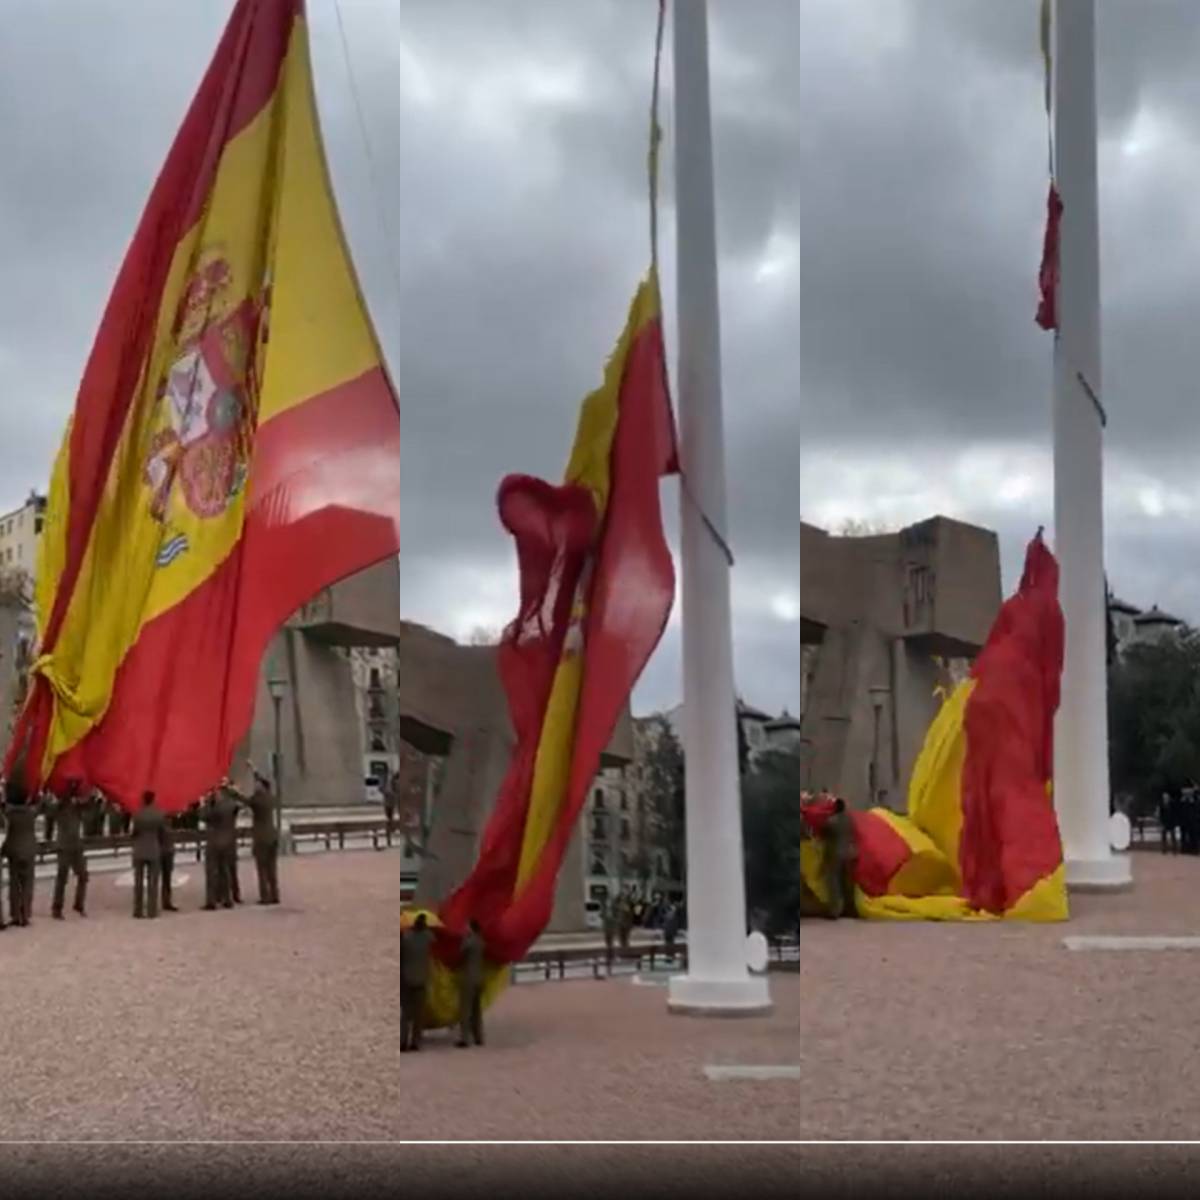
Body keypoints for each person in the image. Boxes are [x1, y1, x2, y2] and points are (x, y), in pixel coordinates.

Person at [241, 763, 280, 905]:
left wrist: (231, 790)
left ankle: (265, 896)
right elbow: (263, 781)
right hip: (272, 836)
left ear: (260, 787)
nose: (254, 786)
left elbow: (243, 800)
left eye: (256, 785)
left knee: (262, 868)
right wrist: (254, 770)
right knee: (272, 868)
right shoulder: (270, 797)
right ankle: (275, 894)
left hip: (261, 838)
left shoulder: (257, 799)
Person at [50, 778, 89, 919]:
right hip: (64, 846)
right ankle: (57, 908)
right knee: (62, 877)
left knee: (83, 876)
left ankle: (79, 904)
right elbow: (54, 807)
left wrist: (79, 788)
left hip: (76, 846)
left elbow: (86, 801)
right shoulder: (60, 805)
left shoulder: (77, 806)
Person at [1, 784, 37, 927]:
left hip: (13, 851)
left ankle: (15, 914)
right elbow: (39, 803)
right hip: (29, 850)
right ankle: (26, 914)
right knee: (28, 884)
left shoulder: (8, 812)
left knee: (14, 885)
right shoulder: (31, 812)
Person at [400, 912, 434, 1052]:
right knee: (418, 1014)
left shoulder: (406, 938)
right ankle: (416, 1042)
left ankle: (403, 1041)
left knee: (406, 1013)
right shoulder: (428, 937)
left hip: (406, 979)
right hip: (421, 980)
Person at [131, 791, 165, 919]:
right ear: (153, 799)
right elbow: (162, 834)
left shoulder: (137, 814)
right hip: (153, 849)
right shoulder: (159, 814)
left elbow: (134, 833)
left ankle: (138, 910)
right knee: (153, 881)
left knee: (138, 881)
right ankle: (152, 910)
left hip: (139, 849)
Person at [822, 798, 857, 920]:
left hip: (836, 854)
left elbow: (824, 832)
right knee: (848, 883)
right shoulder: (850, 820)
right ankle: (851, 909)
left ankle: (835, 911)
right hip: (850, 853)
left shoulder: (832, 821)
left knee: (834, 882)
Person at [456, 918, 486, 1048]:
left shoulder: (469, 941)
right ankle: (479, 1037)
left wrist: (464, 937)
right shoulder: (481, 941)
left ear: (471, 928)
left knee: (465, 1009)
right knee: (477, 1010)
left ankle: (465, 1039)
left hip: (468, 978)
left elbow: (461, 952)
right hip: (479, 978)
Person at [160, 810, 180, 913]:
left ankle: (166, 900)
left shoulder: (164, 824)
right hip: (165, 852)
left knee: (165, 878)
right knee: (166, 878)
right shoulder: (162, 824)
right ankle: (166, 900)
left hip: (165, 852)